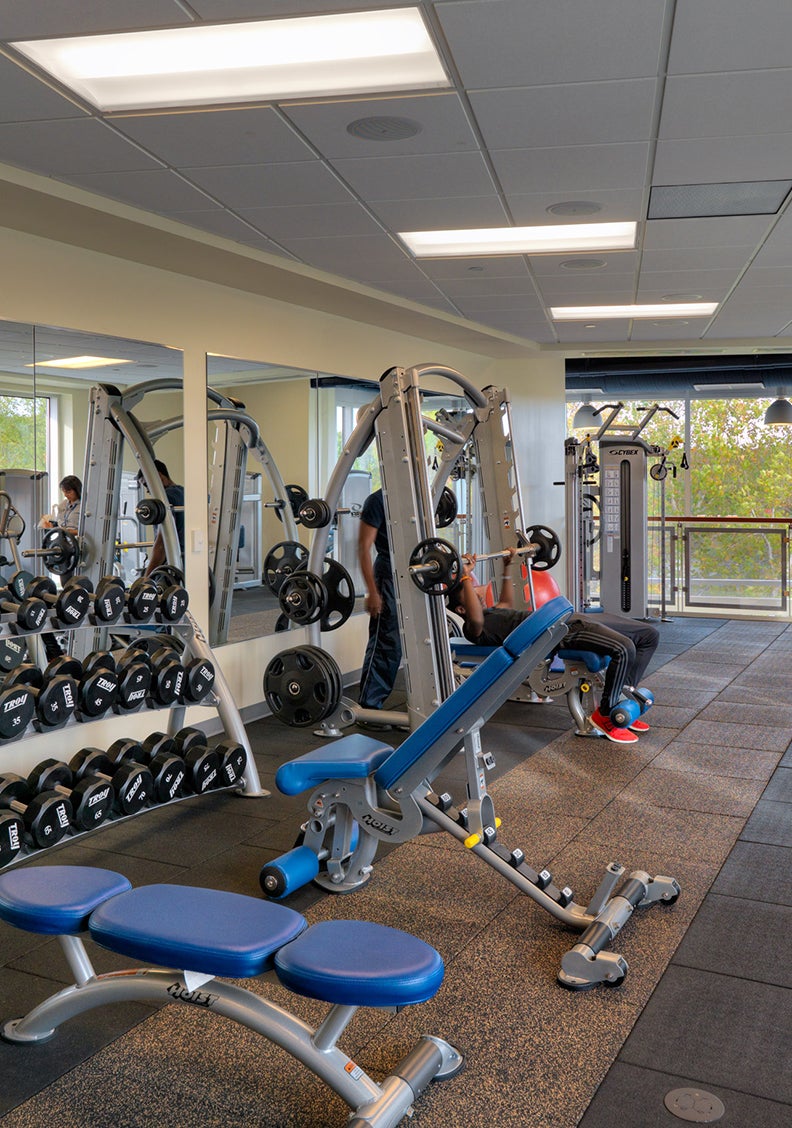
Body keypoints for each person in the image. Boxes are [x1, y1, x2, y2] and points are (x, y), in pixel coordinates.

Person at [451, 550, 659, 744]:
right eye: (472, 596)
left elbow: (505, 602)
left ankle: (622, 702)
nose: (478, 595)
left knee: (649, 635)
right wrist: (465, 576)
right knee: (624, 649)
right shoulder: (474, 629)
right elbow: (475, 618)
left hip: (567, 616)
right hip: (561, 631)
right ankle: (605, 715)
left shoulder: (491, 613)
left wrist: (507, 566)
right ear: (462, 609)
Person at [357, 487, 401, 720]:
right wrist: (372, 591)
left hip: (413, 571)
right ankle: (369, 707)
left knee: (406, 642)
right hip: (387, 576)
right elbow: (364, 547)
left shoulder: (417, 497)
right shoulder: (376, 500)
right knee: (386, 641)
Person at [38, 475, 82, 661]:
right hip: (63, 550)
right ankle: (69, 616)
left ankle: (76, 614)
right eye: (64, 491)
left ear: (76, 490)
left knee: (74, 586)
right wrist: (52, 525)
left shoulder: (83, 506)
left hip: (77, 550)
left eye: (69, 490)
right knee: (65, 584)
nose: (66, 494)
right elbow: (60, 525)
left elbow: (80, 528)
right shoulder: (64, 505)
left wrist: (63, 530)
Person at [136, 460, 185, 578]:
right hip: (186, 564)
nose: (147, 491)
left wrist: (146, 579)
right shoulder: (184, 492)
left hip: (171, 567)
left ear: (158, 476)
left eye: (146, 485)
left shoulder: (166, 498)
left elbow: (162, 545)